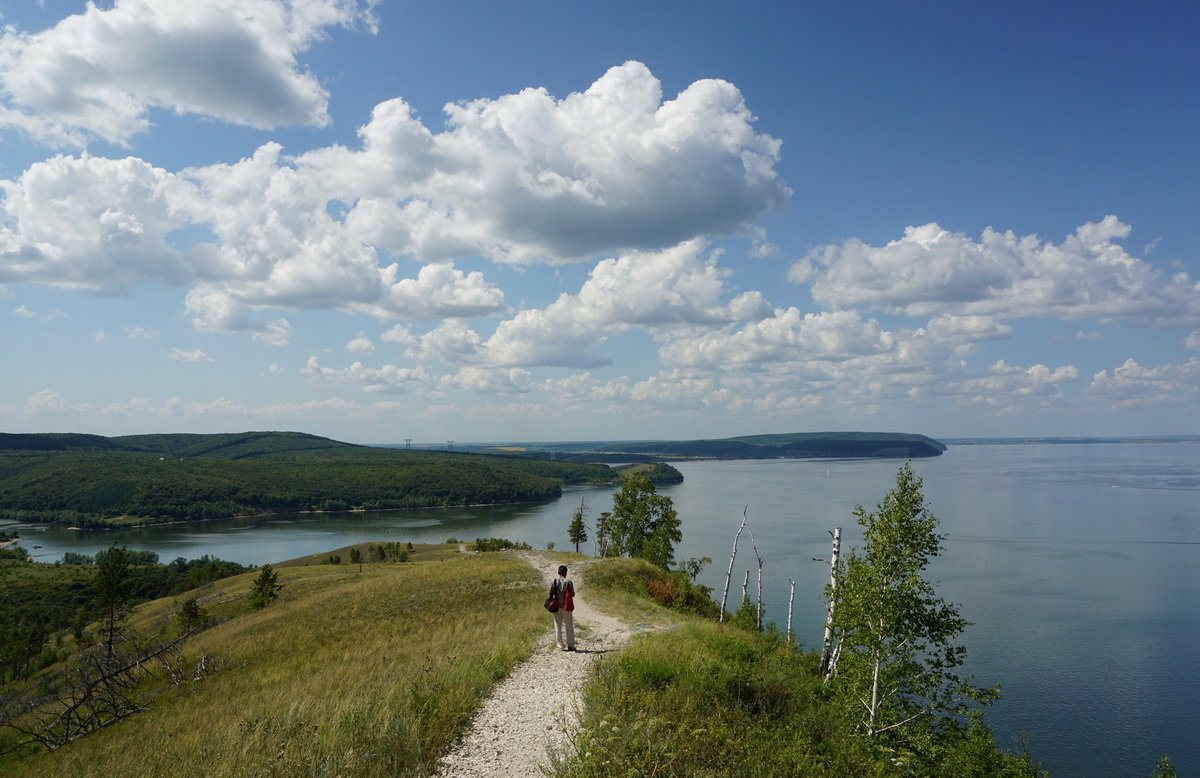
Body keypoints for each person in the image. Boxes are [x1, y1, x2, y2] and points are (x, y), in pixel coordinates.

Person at [550, 564, 576, 651]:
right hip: (566, 606)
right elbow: (572, 594)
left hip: (557, 606)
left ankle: (560, 645)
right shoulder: (569, 582)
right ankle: (570, 644)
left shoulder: (554, 581)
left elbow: (550, 593)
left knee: (558, 625)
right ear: (566, 572)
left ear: (558, 572)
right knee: (569, 625)